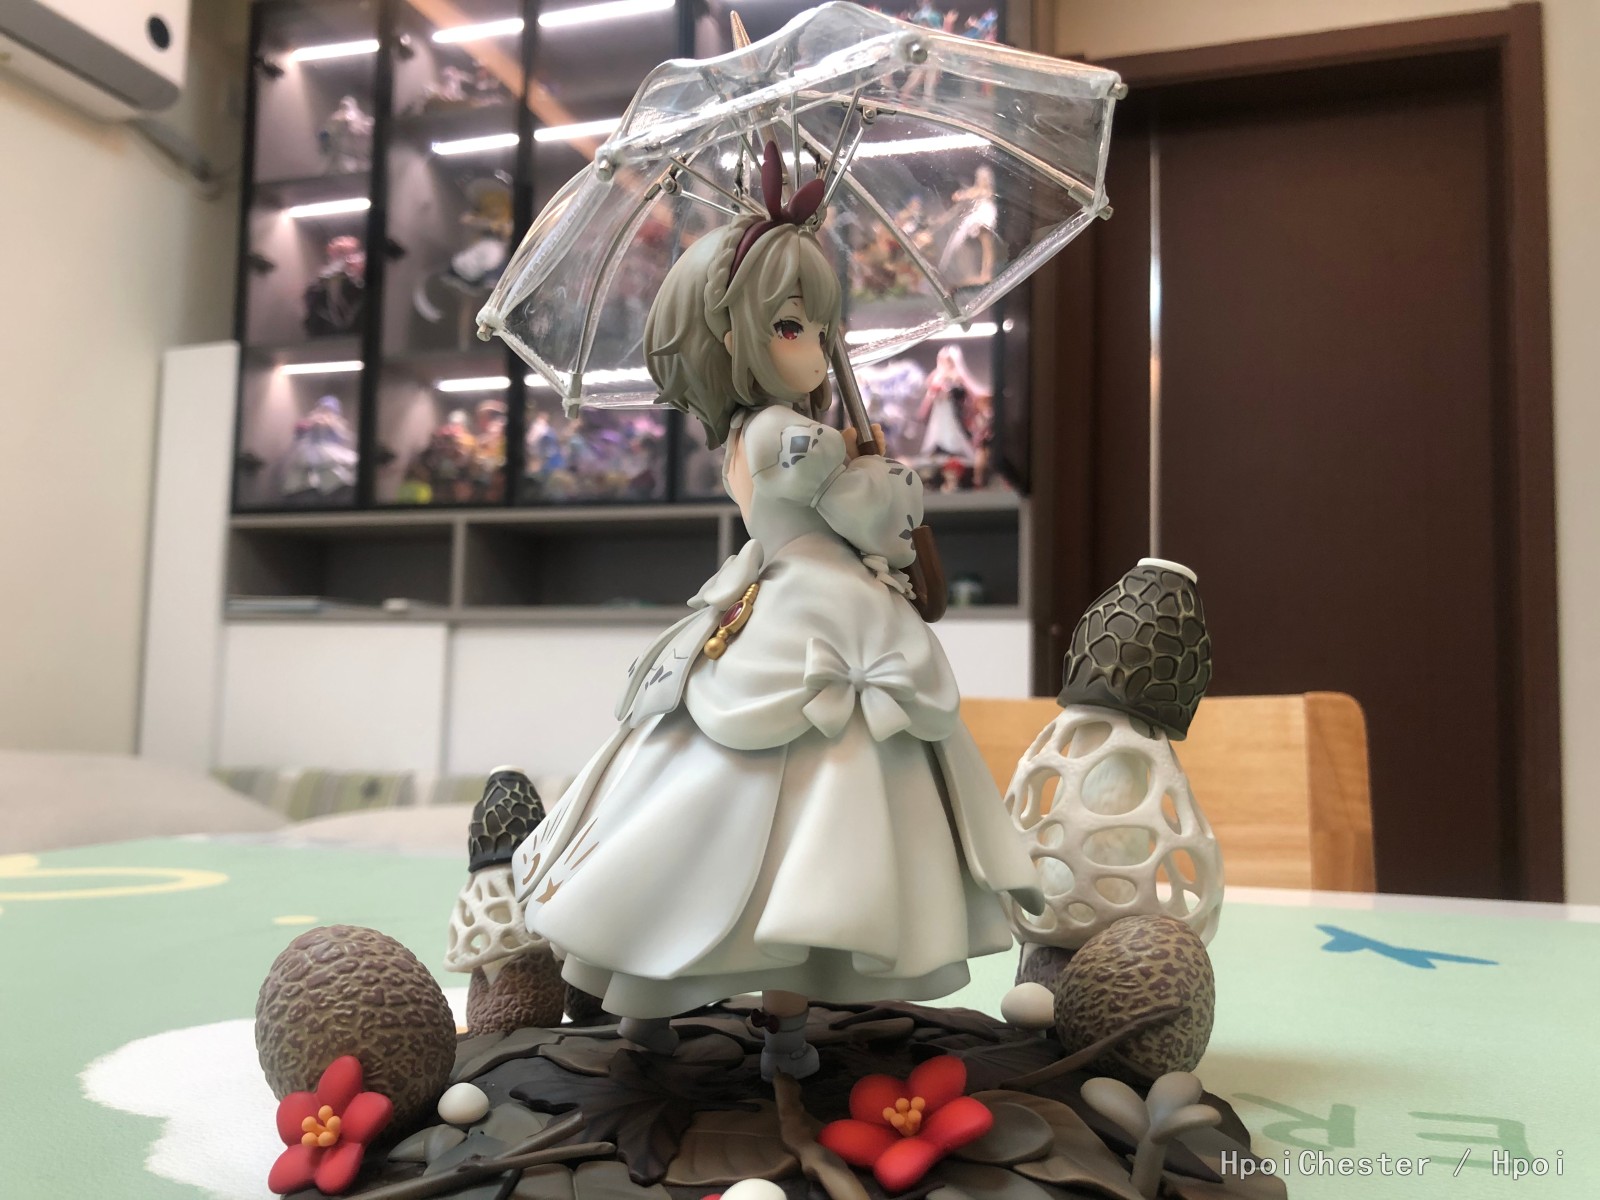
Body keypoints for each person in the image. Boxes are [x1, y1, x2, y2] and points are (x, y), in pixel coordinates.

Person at [512, 146, 1040, 1080]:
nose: (817, 344)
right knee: (776, 806)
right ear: (732, 340)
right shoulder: (780, 434)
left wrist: (863, 464)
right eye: (792, 326)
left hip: (796, 602)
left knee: (763, 812)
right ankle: (757, 1022)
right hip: (810, 613)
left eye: (823, 325)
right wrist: (882, 473)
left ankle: (669, 1006)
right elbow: (866, 519)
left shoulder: (770, 432)